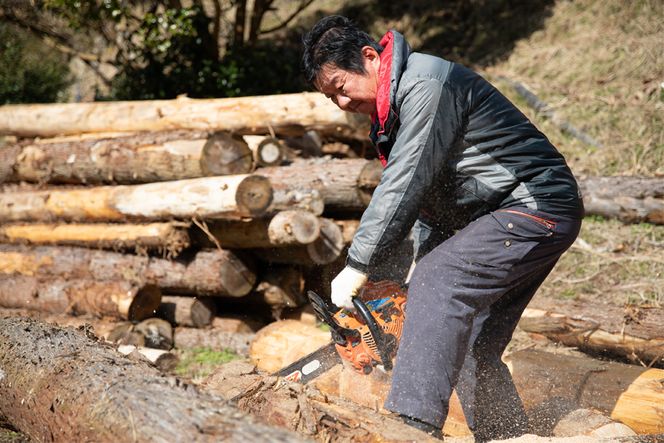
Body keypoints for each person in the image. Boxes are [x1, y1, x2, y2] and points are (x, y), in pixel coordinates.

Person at [302, 15, 584, 442]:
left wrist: (358, 264)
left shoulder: (425, 84)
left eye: (341, 87)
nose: (341, 104)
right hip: (501, 214)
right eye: (331, 98)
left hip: (533, 205)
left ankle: (410, 427)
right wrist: (405, 286)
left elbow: (405, 180)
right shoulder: (396, 106)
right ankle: (505, 436)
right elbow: (433, 203)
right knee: (468, 340)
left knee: (441, 281)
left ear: (369, 57)